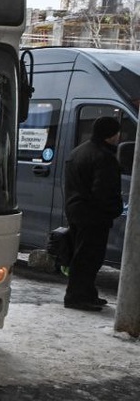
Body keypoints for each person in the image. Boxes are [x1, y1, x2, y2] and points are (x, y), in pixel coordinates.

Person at [63, 115, 124, 311]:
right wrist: (114, 209)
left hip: (76, 211)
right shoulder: (104, 157)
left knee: (81, 255)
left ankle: (87, 293)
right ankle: (77, 297)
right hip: (93, 216)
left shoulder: (79, 151)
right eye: (116, 132)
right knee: (89, 257)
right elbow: (103, 192)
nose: (118, 136)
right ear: (110, 135)